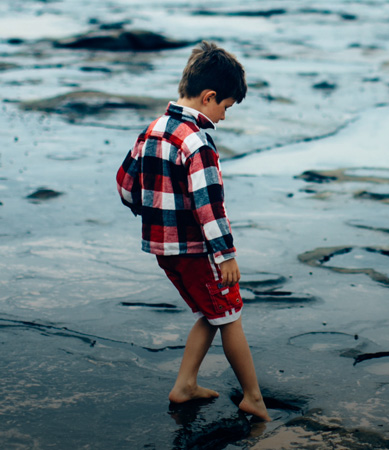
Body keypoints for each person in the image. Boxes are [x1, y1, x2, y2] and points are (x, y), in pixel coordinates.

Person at [116, 41, 270, 422]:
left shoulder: (151, 130)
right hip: (195, 250)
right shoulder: (197, 142)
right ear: (209, 96)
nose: (225, 116)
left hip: (162, 249)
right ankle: (253, 396)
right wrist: (226, 254)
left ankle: (185, 385)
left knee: (210, 311)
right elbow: (209, 206)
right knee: (230, 313)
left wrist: (150, 211)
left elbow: (124, 184)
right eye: (226, 107)